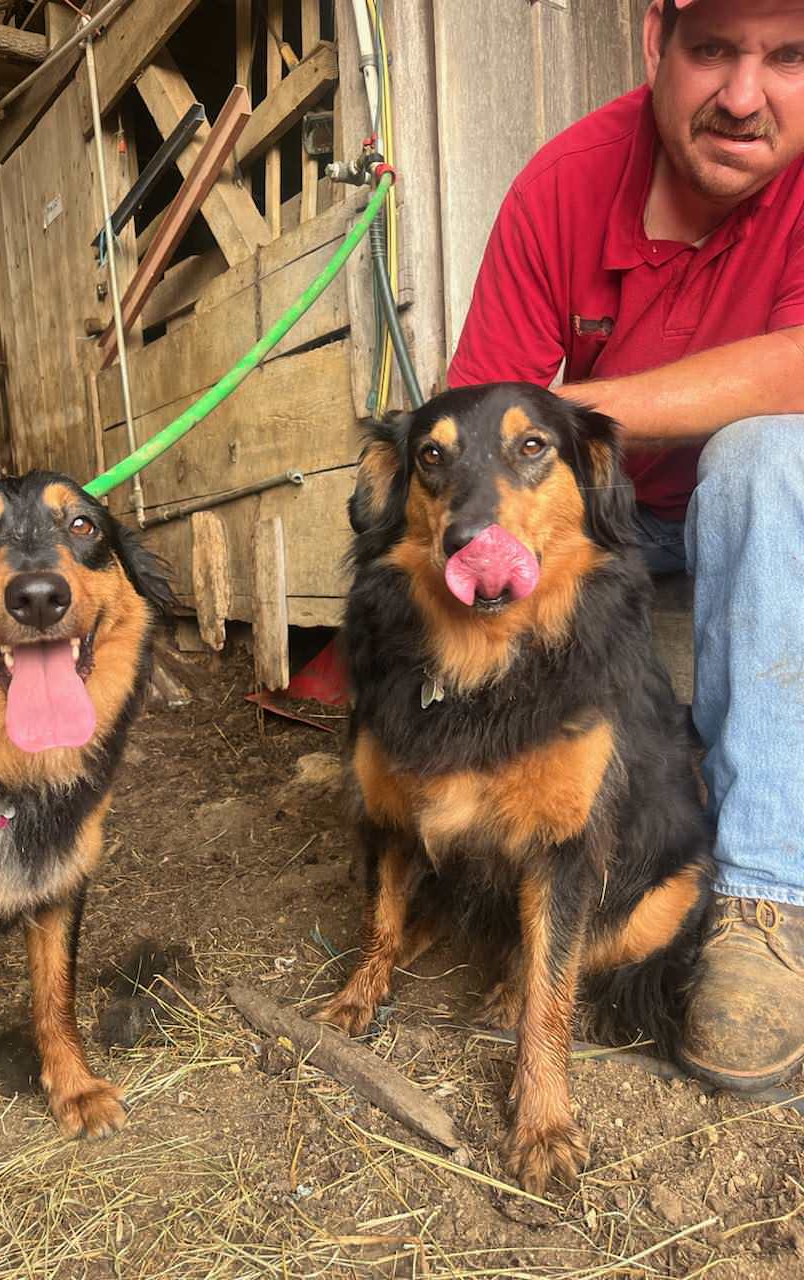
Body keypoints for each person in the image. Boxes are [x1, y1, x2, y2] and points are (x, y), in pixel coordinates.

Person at [449, 0, 804, 1091]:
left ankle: (764, 899)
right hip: (611, 522)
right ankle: (511, 829)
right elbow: (476, 438)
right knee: (508, 515)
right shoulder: (563, 184)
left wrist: (573, 413)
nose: (744, 97)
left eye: (788, 58)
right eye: (713, 50)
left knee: (762, 460)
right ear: (656, 39)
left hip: (766, 516)